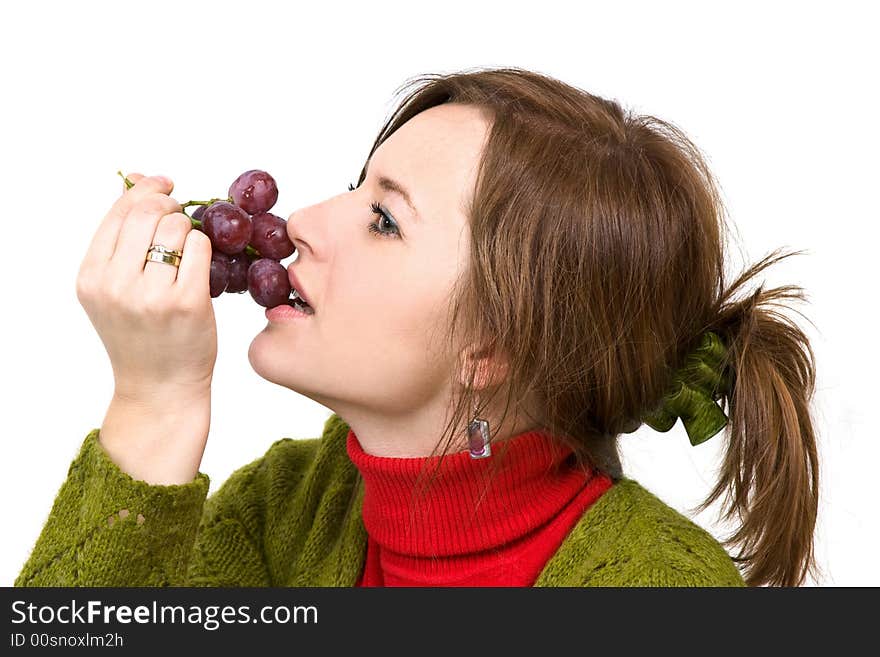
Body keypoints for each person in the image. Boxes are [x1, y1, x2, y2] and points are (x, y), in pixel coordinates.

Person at [15, 66, 820, 588]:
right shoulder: (290, 508)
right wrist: (155, 406)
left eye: (384, 220)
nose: (301, 223)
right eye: (354, 186)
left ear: (492, 349)